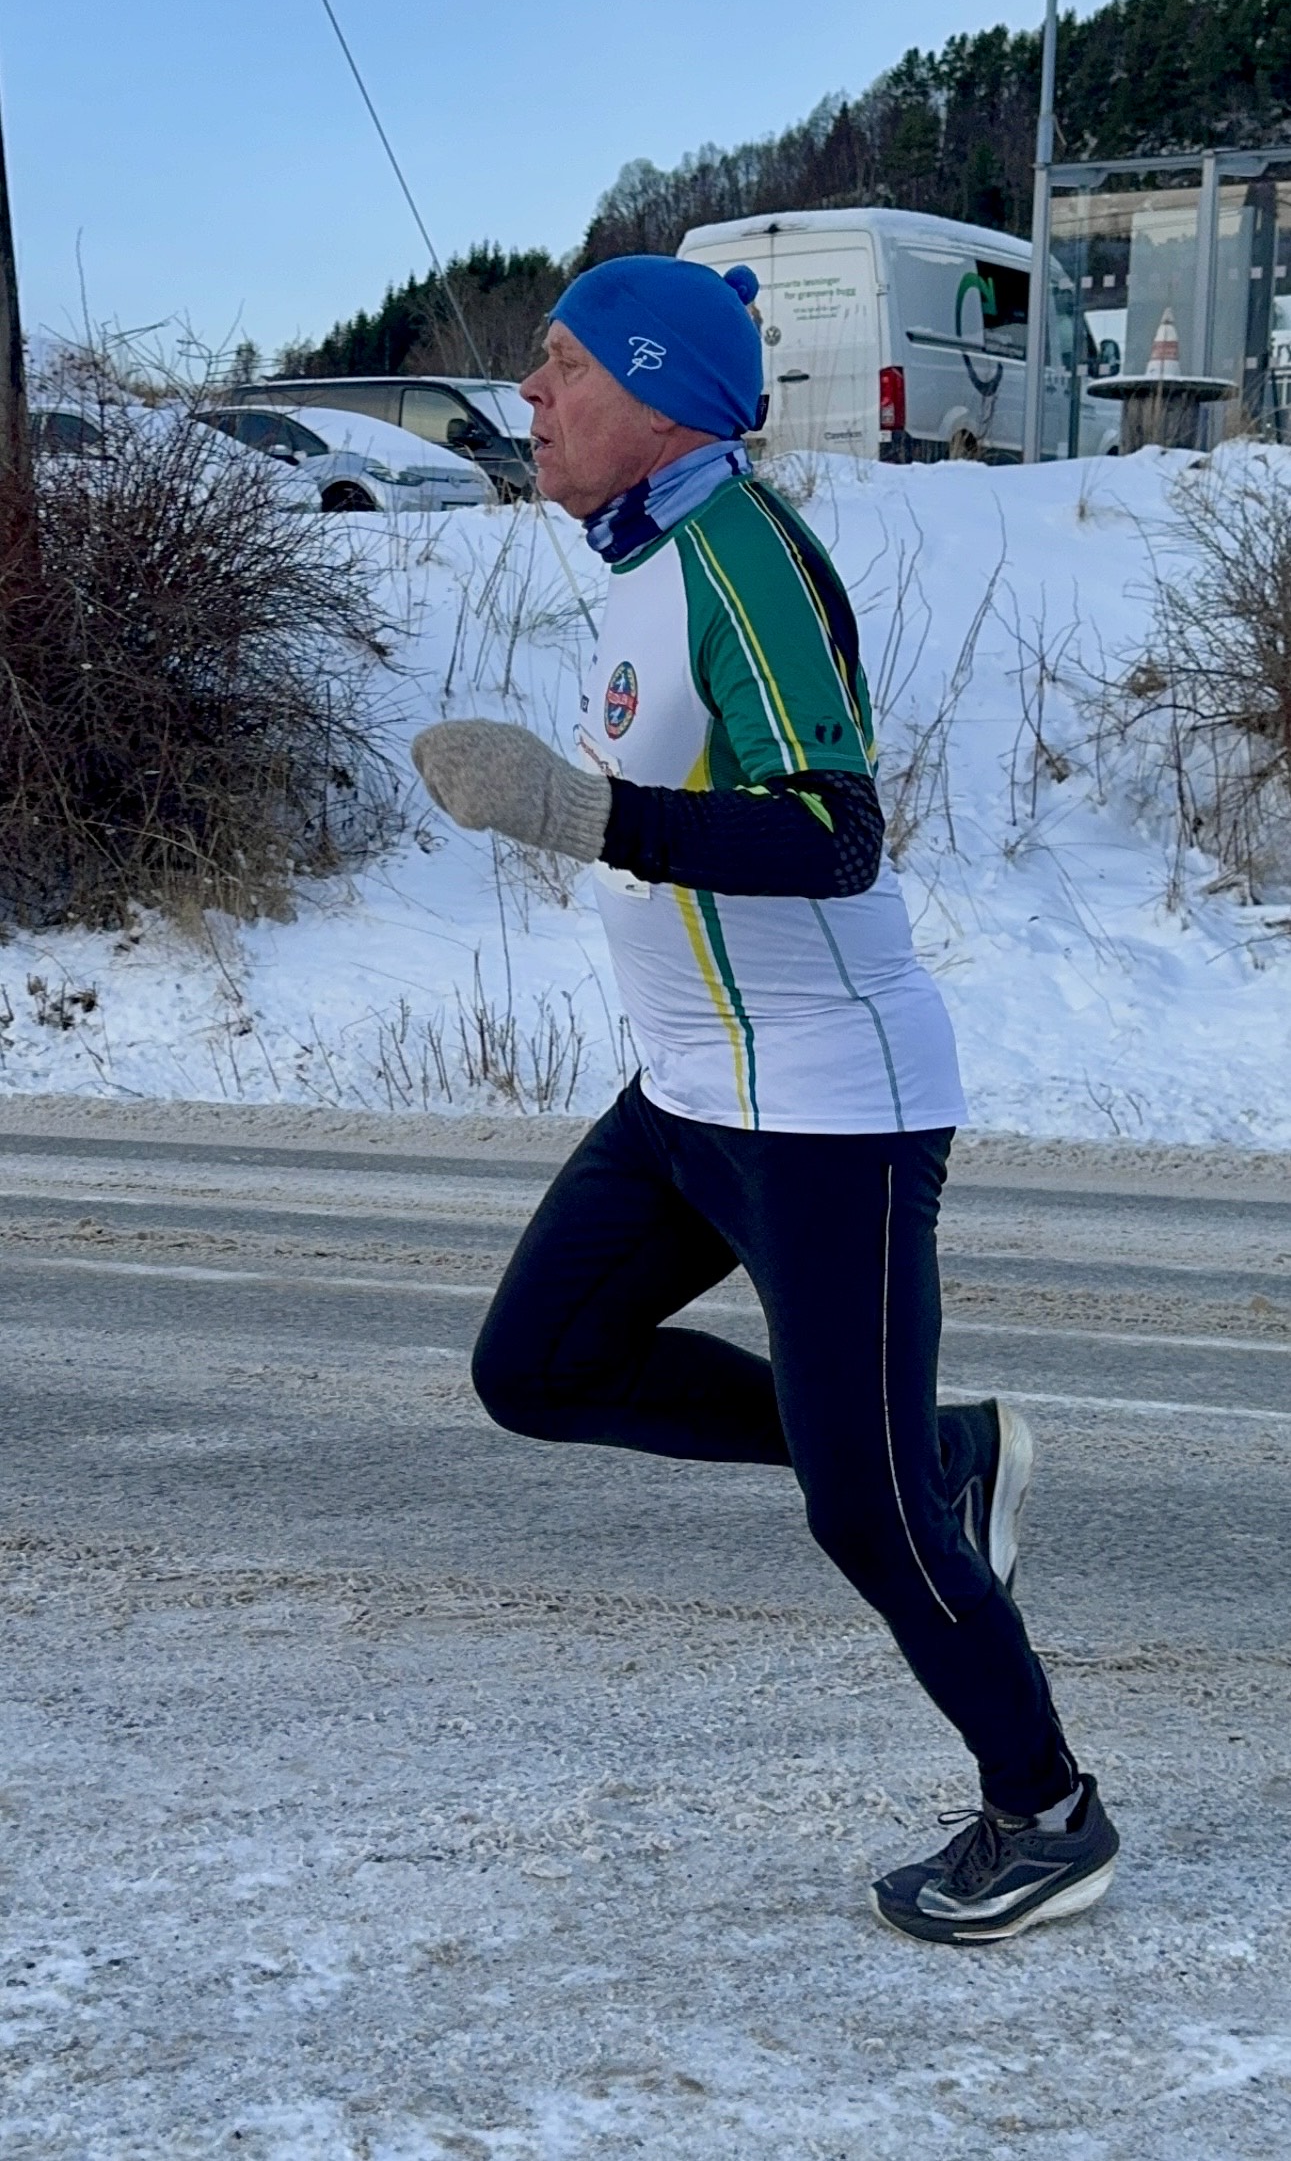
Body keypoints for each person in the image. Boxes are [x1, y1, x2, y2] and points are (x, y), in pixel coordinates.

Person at [411, 255, 1119, 1945]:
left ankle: (1048, 1813)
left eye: (565, 364)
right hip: (688, 1096)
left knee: (860, 1512)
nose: (532, 394)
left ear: (663, 397)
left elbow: (833, 831)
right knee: (539, 1366)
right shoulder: (646, 554)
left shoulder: (743, 555)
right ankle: (944, 1451)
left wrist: (581, 816)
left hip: (829, 1105)